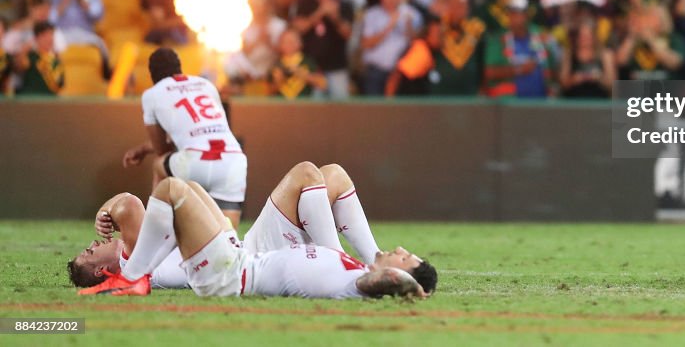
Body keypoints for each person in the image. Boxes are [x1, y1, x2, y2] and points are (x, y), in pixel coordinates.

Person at [76, 175, 435, 299]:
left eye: (408, 257)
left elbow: (389, 279)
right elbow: (389, 276)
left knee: (176, 188)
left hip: (233, 270)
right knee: (184, 188)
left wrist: (413, 285)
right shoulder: (354, 272)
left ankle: (132, 280)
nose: (402, 250)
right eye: (90, 253)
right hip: (239, 262)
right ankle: (133, 280)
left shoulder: (361, 283)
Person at [121, 48, 248, 228]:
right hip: (233, 160)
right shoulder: (206, 85)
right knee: (228, 239)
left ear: (152, 74)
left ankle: (155, 230)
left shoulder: (152, 94)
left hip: (195, 161)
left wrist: (145, 150)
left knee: (159, 165)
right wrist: (143, 148)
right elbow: (201, 131)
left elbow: (162, 150)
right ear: (180, 67)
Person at [291, 0, 356, 99]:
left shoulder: (344, 3)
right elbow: (298, 28)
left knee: (341, 109)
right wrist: (320, 13)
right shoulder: (305, 3)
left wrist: (335, 17)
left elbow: (348, 34)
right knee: (312, 110)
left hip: (336, 66)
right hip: (311, 68)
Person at [483, 0, 558, 97]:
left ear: (527, 15)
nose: (516, 18)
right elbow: (489, 72)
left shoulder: (541, 36)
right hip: (511, 104)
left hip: (540, 102)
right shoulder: (498, 39)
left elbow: (554, 69)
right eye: (512, 13)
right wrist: (520, 70)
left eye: (520, 13)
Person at [360, 0, 423, 95]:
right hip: (376, 71)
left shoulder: (412, 14)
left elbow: (419, 45)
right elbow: (366, 44)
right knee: (375, 110)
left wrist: (409, 26)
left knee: (401, 112)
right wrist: (389, 26)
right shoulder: (372, 14)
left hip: (403, 73)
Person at [270, 28, 329, 99]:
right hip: (282, 107)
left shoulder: (307, 62)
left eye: (292, 41)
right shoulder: (277, 64)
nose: (289, 45)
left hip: (304, 106)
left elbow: (324, 84)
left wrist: (303, 74)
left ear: (300, 43)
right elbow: (268, 92)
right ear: (280, 45)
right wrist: (278, 82)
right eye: (285, 42)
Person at [13, 22, 63, 96]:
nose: (50, 38)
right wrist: (23, 52)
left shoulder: (55, 59)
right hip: (31, 100)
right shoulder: (31, 56)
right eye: (45, 35)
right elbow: (18, 68)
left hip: (50, 102)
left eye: (51, 34)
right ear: (36, 38)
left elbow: (60, 84)